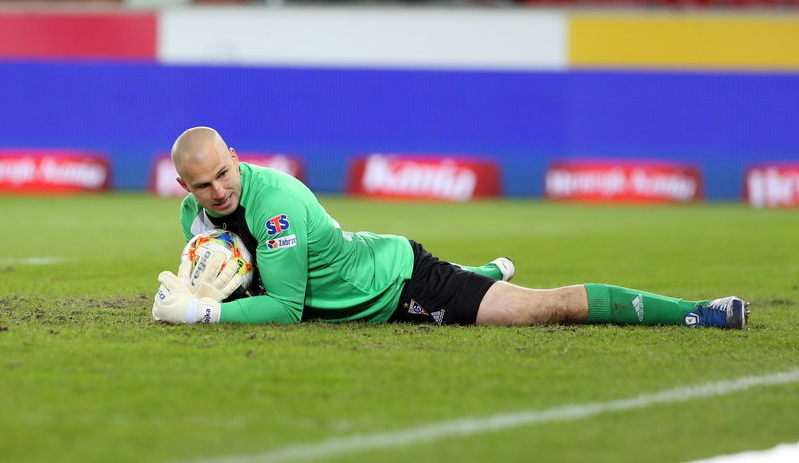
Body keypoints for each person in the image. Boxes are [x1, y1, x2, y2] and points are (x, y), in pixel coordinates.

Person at [152, 126, 749, 329]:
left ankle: (701, 311)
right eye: (204, 186)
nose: (219, 191)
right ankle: (483, 272)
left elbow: (282, 308)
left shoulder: (274, 203)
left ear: (235, 154)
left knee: (539, 310)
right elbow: (239, 276)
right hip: (353, 288)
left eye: (225, 174)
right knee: (502, 295)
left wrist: (202, 313)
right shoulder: (193, 216)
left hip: (398, 284)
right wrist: (203, 288)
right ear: (186, 189)